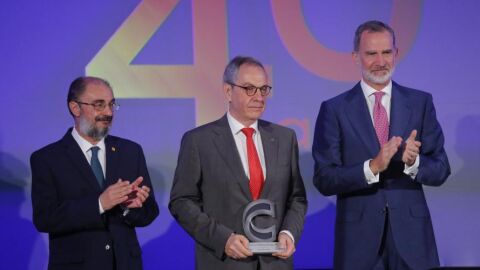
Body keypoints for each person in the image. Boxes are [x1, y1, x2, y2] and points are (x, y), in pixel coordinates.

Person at [312, 21, 450, 270]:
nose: (380, 61)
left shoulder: (420, 103)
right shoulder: (334, 109)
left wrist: (413, 163)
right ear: (356, 56)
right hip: (358, 245)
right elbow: (324, 178)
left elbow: (441, 169)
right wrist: (372, 167)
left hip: (413, 243)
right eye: (371, 53)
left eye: (386, 52)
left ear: (396, 53)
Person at [169, 56, 307, 269]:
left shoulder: (285, 138)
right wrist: (223, 239)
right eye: (249, 89)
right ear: (228, 91)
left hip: (275, 263)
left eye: (264, 89)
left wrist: (289, 233)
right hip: (225, 262)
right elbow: (182, 201)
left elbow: (297, 197)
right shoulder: (199, 141)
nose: (259, 97)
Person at [30, 76, 159, 270]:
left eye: (111, 104)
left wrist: (129, 208)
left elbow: (150, 212)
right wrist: (99, 204)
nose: (108, 112)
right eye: (99, 105)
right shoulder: (47, 159)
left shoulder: (131, 151)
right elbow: (45, 218)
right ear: (75, 108)